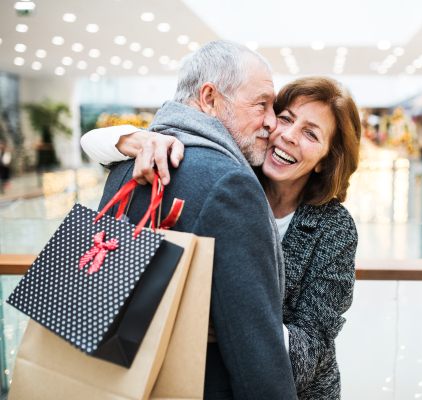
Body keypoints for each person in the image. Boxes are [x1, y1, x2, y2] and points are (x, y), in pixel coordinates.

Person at [83, 75, 361, 399]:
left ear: (326, 160)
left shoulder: (335, 229)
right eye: (285, 118)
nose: (288, 135)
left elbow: (309, 352)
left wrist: (237, 321)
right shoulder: (230, 177)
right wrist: (133, 138)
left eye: (310, 133)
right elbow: (93, 144)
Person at [89, 40, 297, 400]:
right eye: (261, 103)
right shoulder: (229, 183)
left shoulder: (128, 164)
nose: (271, 120)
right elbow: (255, 353)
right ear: (209, 98)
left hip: (114, 379)